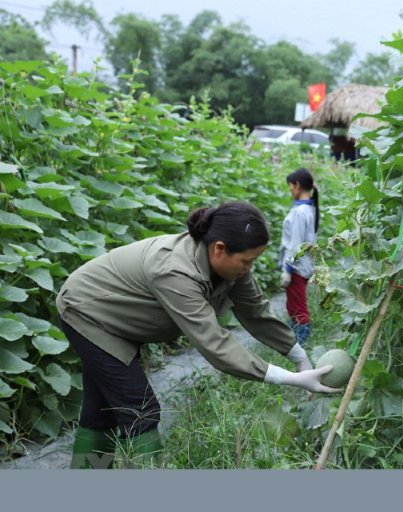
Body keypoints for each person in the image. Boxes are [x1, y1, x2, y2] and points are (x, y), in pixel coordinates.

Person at [56, 201, 340, 470]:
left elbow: (256, 313)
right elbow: (214, 344)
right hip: (89, 314)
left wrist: (300, 359)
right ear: (219, 248)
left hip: (118, 317)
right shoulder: (175, 270)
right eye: (246, 260)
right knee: (140, 411)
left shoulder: (231, 268)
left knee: (100, 412)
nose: (248, 268)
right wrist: (290, 379)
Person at [278, 168, 319, 346]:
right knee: (294, 305)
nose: (290, 190)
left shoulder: (300, 212)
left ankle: (300, 344)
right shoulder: (310, 209)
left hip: (296, 267)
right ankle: (293, 340)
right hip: (304, 265)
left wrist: (287, 269)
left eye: (291, 187)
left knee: (298, 308)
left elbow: (296, 244)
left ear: (298, 186)